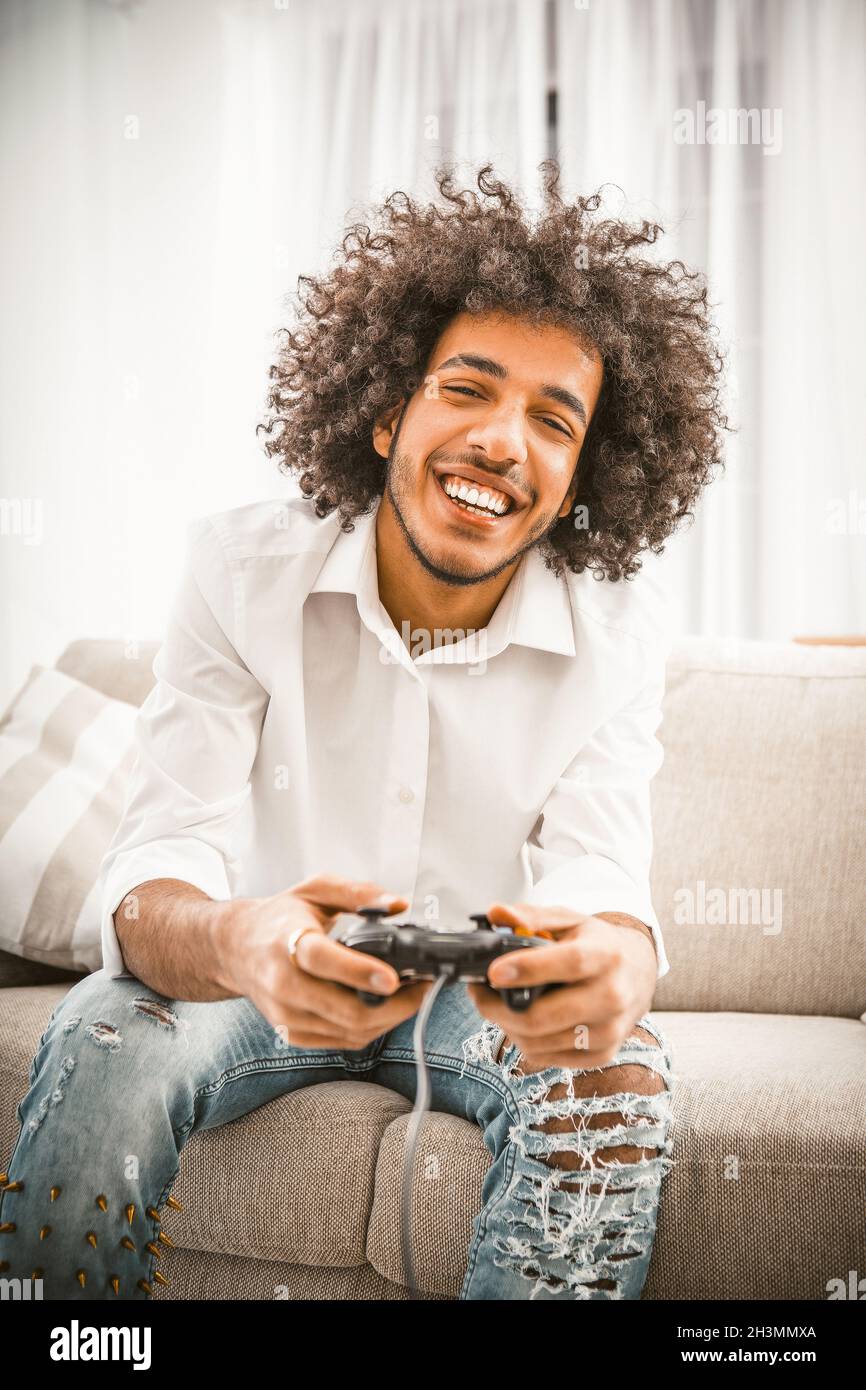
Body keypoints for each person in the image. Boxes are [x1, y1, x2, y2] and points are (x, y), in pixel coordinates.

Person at [0, 163, 727, 1301]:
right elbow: (159, 858)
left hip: (475, 1006)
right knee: (108, 1024)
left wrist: (618, 963)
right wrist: (247, 942)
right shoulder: (238, 572)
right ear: (389, 407)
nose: (501, 442)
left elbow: (600, 873)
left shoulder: (617, 633)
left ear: (584, 472)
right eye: (467, 390)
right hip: (251, 973)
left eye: (552, 419)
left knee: (616, 1074)